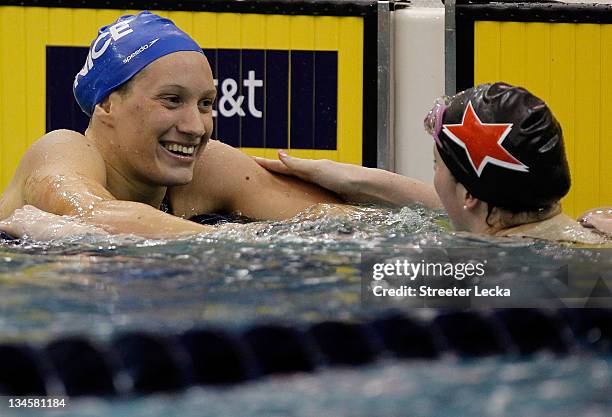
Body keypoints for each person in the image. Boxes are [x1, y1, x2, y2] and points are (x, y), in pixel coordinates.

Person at [0, 12, 339, 240]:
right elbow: (94, 213)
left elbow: (351, 225)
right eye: (172, 100)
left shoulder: (208, 169)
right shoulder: (62, 150)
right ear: (106, 104)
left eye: (206, 104)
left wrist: (379, 184)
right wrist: (233, 243)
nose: (195, 127)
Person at [255, 82, 609, 244]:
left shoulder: (465, 272)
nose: (434, 179)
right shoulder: (596, 232)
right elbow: (468, 205)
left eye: (437, 165)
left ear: (469, 195)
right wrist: (354, 179)